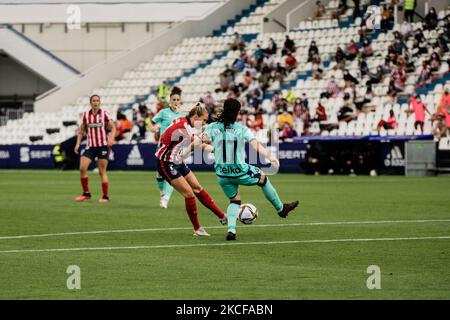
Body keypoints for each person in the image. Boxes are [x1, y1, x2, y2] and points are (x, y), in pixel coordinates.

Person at [203, 98, 299, 240]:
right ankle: (281, 209)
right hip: (239, 170)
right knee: (263, 179)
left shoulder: (212, 127)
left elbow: (200, 143)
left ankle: (231, 231)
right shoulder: (241, 129)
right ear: (237, 112)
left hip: (221, 174)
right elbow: (255, 145)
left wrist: (210, 149)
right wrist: (270, 157)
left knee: (234, 200)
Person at [156, 103, 227, 236]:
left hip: (177, 159)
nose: (204, 123)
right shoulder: (184, 127)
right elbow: (196, 144)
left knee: (198, 188)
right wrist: (215, 150)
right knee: (189, 193)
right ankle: (197, 229)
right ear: (196, 116)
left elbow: (196, 143)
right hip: (165, 162)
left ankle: (222, 216)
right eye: (204, 120)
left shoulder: (185, 123)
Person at [148, 87, 186, 209]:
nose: (175, 101)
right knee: (159, 174)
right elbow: (151, 122)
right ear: (170, 100)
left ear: (180, 101)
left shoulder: (183, 114)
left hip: (177, 149)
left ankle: (166, 198)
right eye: (173, 99)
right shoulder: (164, 112)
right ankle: (162, 193)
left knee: (173, 173)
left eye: (177, 99)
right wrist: (152, 128)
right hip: (162, 147)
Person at [74, 94, 116, 202]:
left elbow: (113, 127)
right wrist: (78, 144)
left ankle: (105, 196)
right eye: (94, 100)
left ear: (99, 102)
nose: (96, 102)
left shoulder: (104, 114)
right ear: (90, 102)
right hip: (90, 146)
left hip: (102, 146)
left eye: (97, 100)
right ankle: (86, 193)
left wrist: (111, 138)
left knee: (102, 171)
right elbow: (81, 131)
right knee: (82, 168)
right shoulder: (85, 115)